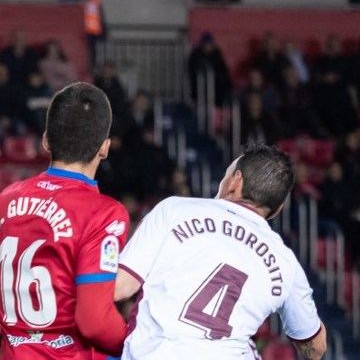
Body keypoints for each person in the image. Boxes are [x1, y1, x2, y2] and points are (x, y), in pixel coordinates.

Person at [114, 145, 326, 360]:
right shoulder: (286, 261)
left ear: (235, 181)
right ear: (278, 207)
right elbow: (315, 348)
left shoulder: (175, 210)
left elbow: (121, 287)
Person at [0, 83, 130, 359]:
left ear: (46, 140)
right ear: (105, 148)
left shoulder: (5, 200)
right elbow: (94, 322)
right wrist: (136, 342)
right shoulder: (105, 214)